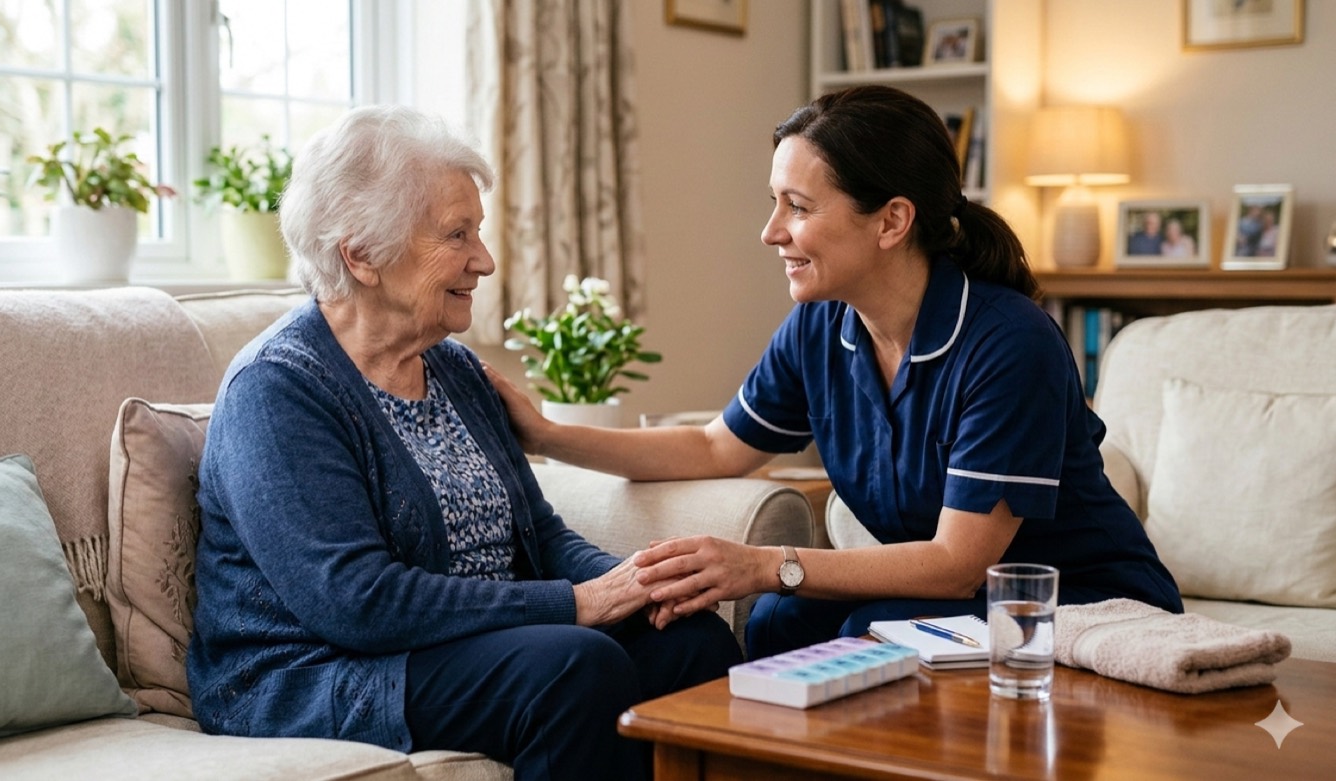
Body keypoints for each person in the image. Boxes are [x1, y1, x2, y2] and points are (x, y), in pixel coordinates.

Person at [487, 85, 1182, 661]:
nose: (771, 231)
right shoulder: (822, 327)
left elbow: (956, 564)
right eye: (774, 202)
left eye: (797, 206)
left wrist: (763, 564)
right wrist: (546, 435)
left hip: (1080, 603)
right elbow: (715, 447)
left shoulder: (1009, 342)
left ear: (892, 221)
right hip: (970, 598)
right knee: (778, 622)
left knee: (863, 627)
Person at [186, 105, 742, 781]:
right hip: (316, 669)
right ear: (361, 255)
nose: (484, 260)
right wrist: (578, 603)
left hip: (463, 643)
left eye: (478, 231)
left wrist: (638, 583)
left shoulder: (452, 366)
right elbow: (357, 601)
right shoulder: (278, 389)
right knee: (573, 666)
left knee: (692, 642)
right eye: (457, 234)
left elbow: (536, 533)